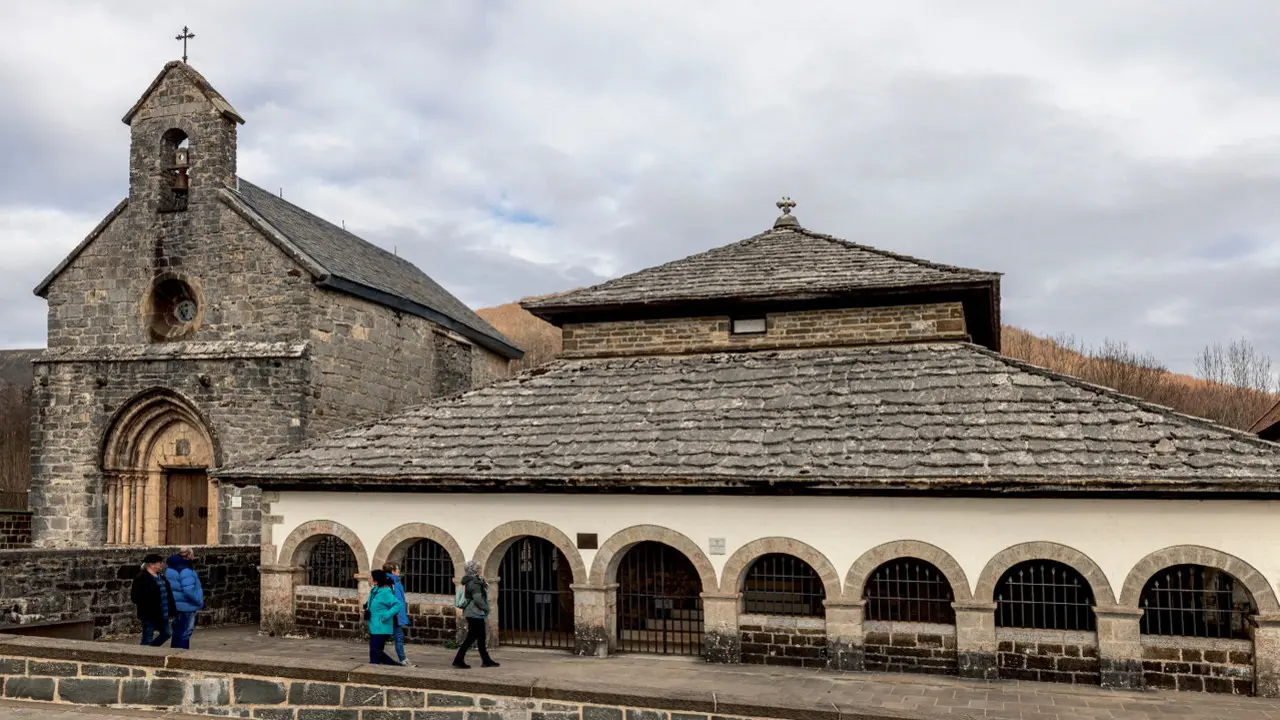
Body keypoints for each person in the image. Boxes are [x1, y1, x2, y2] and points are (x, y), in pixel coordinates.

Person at [452, 560, 499, 669]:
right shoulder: (474, 583)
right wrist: (486, 608)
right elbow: (478, 598)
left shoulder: (471, 581)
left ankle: (486, 660)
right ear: (475, 570)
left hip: (472, 612)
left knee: (480, 636)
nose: (481, 570)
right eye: (479, 568)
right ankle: (458, 660)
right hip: (474, 612)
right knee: (472, 637)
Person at [130, 553, 176, 646]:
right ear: (152, 564)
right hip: (149, 613)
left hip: (163, 612)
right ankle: (144, 656)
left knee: (166, 634)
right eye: (160, 562)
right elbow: (135, 597)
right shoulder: (141, 578)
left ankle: (152, 650)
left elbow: (168, 593)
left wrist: (171, 608)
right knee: (147, 637)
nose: (162, 565)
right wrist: (147, 606)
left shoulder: (161, 577)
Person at [164, 546, 205, 650]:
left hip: (176, 604)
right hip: (187, 606)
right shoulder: (186, 570)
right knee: (185, 632)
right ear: (189, 555)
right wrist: (199, 601)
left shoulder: (171, 567)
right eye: (193, 554)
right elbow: (189, 590)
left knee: (177, 631)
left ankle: (174, 653)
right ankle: (182, 656)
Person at [367, 569, 404, 665]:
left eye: (370, 577)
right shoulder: (375, 591)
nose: (368, 579)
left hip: (381, 626)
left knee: (375, 650)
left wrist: (385, 616)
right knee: (377, 651)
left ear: (376, 580)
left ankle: (375, 667)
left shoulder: (385, 592)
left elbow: (397, 605)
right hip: (375, 626)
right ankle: (394, 666)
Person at [383, 562, 412, 666]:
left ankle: (402, 658)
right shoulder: (391, 584)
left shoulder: (395, 583)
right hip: (393, 615)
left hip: (394, 614)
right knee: (396, 637)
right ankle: (402, 659)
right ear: (393, 571)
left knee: (396, 637)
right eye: (397, 569)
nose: (399, 571)